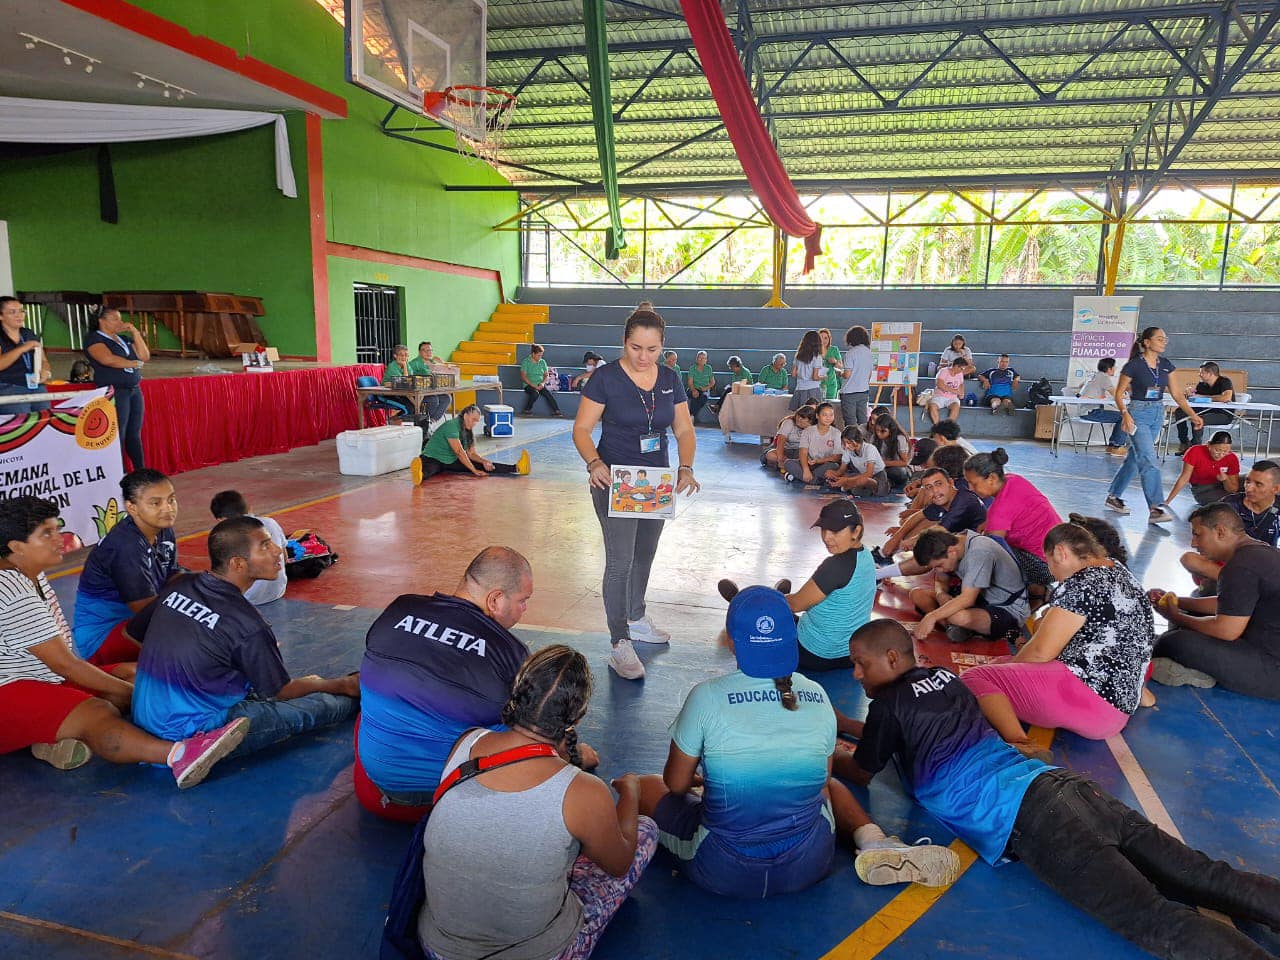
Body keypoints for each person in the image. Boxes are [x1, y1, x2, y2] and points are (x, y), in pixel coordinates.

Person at [837, 619, 1280, 960]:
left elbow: (863, 769)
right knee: (1205, 875)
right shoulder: (946, 680)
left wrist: (824, 753)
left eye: (861, 662)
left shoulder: (889, 706)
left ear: (893, 658)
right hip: (1066, 787)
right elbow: (893, 734)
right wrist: (844, 724)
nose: (856, 673)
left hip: (1033, 818)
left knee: (1153, 919)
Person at [636, 585, 960, 898]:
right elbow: (820, 784)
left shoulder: (706, 697)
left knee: (643, 785)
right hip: (809, 864)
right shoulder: (817, 695)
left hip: (725, 869)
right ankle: (875, 839)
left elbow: (676, 784)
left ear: (733, 643)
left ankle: (632, 797)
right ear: (794, 638)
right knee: (826, 784)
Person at [415, 645, 656, 960]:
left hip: (438, 947)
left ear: (517, 693)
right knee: (646, 831)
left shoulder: (468, 742)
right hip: (535, 953)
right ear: (577, 716)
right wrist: (632, 792)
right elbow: (620, 864)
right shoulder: (583, 790)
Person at [0, 496, 247, 788]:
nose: (59, 539)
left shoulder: (28, 571)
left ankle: (49, 737)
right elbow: (66, 664)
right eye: (47, 534)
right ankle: (179, 754)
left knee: (132, 675)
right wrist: (136, 695)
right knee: (98, 712)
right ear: (16, 548)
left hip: (40, 679)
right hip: (10, 689)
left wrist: (131, 689)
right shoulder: (12, 592)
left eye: (57, 529)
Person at [130, 516, 361, 757]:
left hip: (146, 717)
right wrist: (338, 684)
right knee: (319, 707)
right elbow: (280, 691)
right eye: (264, 546)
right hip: (196, 731)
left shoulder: (182, 584)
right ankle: (362, 692)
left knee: (260, 681)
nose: (277, 552)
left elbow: (134, 633)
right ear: (238, 564)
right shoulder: (247, 623)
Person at [357, 547, 544, 819]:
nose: (524, 609)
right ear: (495, 599)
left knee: (384, 688)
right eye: (523, 600)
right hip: (447, 794)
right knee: (524, 726)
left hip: (375, 782)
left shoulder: (401, 607)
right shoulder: (510, 651)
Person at [574, 306, 699, 681]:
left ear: (663, 347)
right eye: (635, 348)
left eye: (652, 349)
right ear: (623, 343)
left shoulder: (671, 379)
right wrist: (594, 463)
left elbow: (684, 430)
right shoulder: (605, 379)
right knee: (620, 561)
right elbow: (581, 429)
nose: (643, 357)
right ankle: (619, 642)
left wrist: (686, 466)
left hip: (656, 481)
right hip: (614, 481)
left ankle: (637, 616)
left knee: (646, 553)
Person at [962, 522, 1155, 755]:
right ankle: (1142, 693)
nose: (1052, 574)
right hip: (1122, 700)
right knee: (999, 666)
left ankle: (1021, 743)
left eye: (1050, 563)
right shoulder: (1120, 570)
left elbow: (1041, 653)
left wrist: (1003, 678)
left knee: (975, 678)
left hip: (1093, 704)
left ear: (1061, 553)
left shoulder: (1082, 584)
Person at [722, 500, 875, 672]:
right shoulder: (866, 555)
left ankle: (738, 600)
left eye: (835, 531)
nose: (826, 537)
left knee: (764, 618)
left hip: (815, 653)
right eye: (824, 529)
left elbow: (794, 605)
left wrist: (771, 602)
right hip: (850, 654)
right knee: (786, 609)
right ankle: (776, 593)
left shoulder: (835, 566)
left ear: (857, 530)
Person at [1150, 502, 1280, 700]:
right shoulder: (1261, 551)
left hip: (1272, 669)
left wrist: (1176, 615)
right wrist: (1178, 602)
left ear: (1220, 532)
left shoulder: (1241, 565)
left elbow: (1226, 631)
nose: (1193, 543)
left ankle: (1198, 672)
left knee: (1173, 641)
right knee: (1193, 618)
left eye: (1198, 534)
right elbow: (1227, 604)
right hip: (1265, 642)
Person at [73, 469, 182, 666]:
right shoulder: (125, 546)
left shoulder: (163, 529)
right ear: (132, 507)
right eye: (155, 503)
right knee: (191, 626)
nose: (168, 508)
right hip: (103, 637)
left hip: (134, 623)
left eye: (171, 500)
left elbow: (172, 574)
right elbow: (147, 611)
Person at [1104, 326, 1202, 524]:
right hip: (1138, 412)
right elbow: (1119, 393)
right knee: (1149, 458)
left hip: (1158, 412)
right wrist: (1125, 415)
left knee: (1135, 457)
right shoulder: (1133, 365)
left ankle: (1113, 496)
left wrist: (1192, 415)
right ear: (1147, 342)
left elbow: (1176, 394)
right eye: (1159, 338)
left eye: (1165, 338)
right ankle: (1156, 507)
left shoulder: (1166, 365)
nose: (1164, 341)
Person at [965, 449, 1062, 596]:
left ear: (991, 478)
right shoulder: (1013, 480)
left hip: (1046, 567)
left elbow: (989, 549)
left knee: (981, 557)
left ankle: (1035, 591)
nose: (970, 488)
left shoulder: (1001, 509)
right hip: (1060, 555)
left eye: (973, 483)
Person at [910, 528, 1030, 642]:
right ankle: (953, 628)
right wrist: (941, 593)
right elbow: (941, 581)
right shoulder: (953, 544)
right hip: (979, 596)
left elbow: (967, 599)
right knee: (917, 594)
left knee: (957, 617)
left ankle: (957, 625)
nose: (939, 570)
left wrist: (932, 616)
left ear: (951, 552)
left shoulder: (979, 552)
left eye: (939, 565)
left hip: (1006, 608)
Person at [1178, 459, 1280, 592]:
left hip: (1261, 566)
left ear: (1276, 489)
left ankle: (1240, 584)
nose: (1249, 487)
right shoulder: (1230, 504)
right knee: (1189, 559)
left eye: (1258, 484)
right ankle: (1247, 585)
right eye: (1247, 481)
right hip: (1229, 563)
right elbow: (1205, 539)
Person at [873, 466, 987, 580]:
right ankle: (884, 554)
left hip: (977, 554)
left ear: (950, 482)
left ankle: (877, 575)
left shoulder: (964, 500)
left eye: (938, 484)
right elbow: (919, 515)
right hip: (959, 541)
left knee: (930, 548)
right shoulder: (943, 498)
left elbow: (940, 529)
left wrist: (911, 541)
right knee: (922, 523)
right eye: (929, 487)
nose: (935, 491)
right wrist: (897, 537)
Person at [85, 306, 149, 468]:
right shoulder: (94, 339)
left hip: (134, 389)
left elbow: (144, 355)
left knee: (134, 433)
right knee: (118, 433)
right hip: (115, 390)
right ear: (102, 321)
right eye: (115, 319)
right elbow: (107, 359)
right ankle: (119, 472)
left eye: (120, 318)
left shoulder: (123, 339)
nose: (120, 322)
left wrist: (135, 333)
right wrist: (133, 363)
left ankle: (140, 470)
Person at [411, 404, 530, 484]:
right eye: (473, 420)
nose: (474, 423)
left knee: (484, 465)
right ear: (465, 415)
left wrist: (483, 461)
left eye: (477, 421)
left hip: (450, 461)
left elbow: (471, 454)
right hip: (433, 457)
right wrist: (474, 470)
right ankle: (419, 474)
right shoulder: (452, 425)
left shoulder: (468, 431)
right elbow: (459, 452)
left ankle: (518, 467)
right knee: (432, 469)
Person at [209, 490, 287, 606]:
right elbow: (285, 557)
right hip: (279, 590)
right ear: (250, 508)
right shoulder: (270, 522)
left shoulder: (228, 536)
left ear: (221, 520)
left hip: (248, 598)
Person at [0, 296, 51, 416]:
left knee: (45, 419)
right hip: (8, 386)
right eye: (13, 312)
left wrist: (45, 370)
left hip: (35, 385)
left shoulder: (28, 333)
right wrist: (21, 349)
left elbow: (43, 360)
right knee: (22, 425)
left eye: (21, 311)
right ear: (1, 316)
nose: (19, 315)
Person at [1166, 431, 1240, 506]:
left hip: (1222, 485)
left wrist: (1226, 479)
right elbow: (1184, 478)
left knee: (1249, 481)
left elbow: (1233, 489)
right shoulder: (1195, 451)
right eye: (1217, 450)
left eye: (1225, 451)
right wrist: (1167, 501)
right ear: (1208, 445)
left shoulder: (1231, 457)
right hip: (1202, 490)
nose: (1221, 455)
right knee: (1229, 503)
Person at [1176, 361, 1235, 452]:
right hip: (1205, 411)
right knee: (1180, 411)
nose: (1199, 375)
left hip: (1224, 414)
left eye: (1201, 372)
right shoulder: (1202, 384)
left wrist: (1203, 397)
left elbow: (1226, 397)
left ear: (1210, 374)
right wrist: (1189, 393)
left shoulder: (1224, 381)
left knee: (1197, 419)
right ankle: (1184, 441)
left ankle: (1195, 447)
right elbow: (1196, 397)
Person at [1075, 356, 1127, 454]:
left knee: (1121, 416)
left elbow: (1081, 386)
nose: (1115, 369)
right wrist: (1127, 396)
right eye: (1114, 367)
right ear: (1109, 369)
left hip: (1084, 411)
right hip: (1092, 412)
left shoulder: (1094, 375)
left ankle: (1112, 446)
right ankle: (1117, 446)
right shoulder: (1104, 377)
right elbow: (1116, 394)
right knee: (1124, 417)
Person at [783, 401, 841, 485]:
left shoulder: (836, 433)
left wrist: (818, 461)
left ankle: (805, 478)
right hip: (809, 464)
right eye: (825, 415)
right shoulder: (808, 431)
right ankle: (815, 480)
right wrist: (806, 469)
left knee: (834, 466)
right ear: (817, 416)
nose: (828, 418)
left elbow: (836, 457)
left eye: (831, 415)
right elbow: (803, 452)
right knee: (788, 463)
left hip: (824, 464)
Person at [825, 425, 889, 497]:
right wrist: (834, 475)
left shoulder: (870, 448)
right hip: (861, 475)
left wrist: (846, 481)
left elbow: (869, 474)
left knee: (861, 481)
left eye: (848, 442)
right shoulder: (848, 450)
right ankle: (857, 488)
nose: (846, 446)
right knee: (850, 480)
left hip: (877, 477)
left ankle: (868, 489)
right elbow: (841, 470)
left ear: (857, 440)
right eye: (844, 443)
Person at [761, 404, 815, 472]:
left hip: (799, 452)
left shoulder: (812, 428)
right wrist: (780, 459)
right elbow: (781, 441)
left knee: (810, 460)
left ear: (810, 422)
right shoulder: (789, 422)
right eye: (799, 416)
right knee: (770, 455)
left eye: (803, 418)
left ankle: (789, 465)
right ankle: (789, 465)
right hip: (785, 449)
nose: (799, 419)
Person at [839, 325, 873, 429]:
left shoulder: (850, 353)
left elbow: (847, 374)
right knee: (863, 420)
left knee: (850, 422)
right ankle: (864, 441)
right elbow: (869, 374)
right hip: (863, 391)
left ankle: (851, 442)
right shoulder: (869, 352)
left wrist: (839, 372)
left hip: (849, 392)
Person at [408, 341, 450, 424]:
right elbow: (408, 377)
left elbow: (446, 372)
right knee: (434, 399)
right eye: (425, 350)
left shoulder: (433, 362)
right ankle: (426, 421)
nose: (428, 353)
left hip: (433, 390)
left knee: (447, 398)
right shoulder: (414, 363)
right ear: (420, 352)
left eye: (430, 350)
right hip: (420, 393)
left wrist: (441, 363)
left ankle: (432, 420)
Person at [519, 343, 562, 417]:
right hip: (529, 385)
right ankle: (527, 410)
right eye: (538, 355)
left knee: (548, 394)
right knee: (535, 393)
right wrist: (534, 386)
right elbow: (523, 376)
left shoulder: (543, 362)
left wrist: (542, 383)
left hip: (540, 384)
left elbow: (546, 375)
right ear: (533, 354)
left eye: (541, 355)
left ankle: (556, 411)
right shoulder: (526, 361)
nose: (540, 357)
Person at [870, 413, 912, 487]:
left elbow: (904, 463)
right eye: (877, 430)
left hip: (894, 469)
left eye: (883, 431)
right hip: (879, 468)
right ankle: (886, 482)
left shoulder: (899, 438)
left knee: (899, 472)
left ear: (891, 430)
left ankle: (885, 482)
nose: (879, 434)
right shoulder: (874, 437)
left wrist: (883, 463)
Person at [790, 330, 825, 409]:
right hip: (812, 390)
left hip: (799, 388)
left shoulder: (798, 356)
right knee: (813, 416)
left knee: (801, 415)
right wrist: (823, 377)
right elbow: (815, 377)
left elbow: (793, 374)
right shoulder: (817, 357)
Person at [927, 357, 966, 424]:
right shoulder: (943, 371)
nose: (962, 370)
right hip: (939, 396)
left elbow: (961, 384)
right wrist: (955, 391)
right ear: (956, 366)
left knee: (956, 406)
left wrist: (962, 392)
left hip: (952, 398)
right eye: (961, 368)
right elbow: (940, 385)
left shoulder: (960, 374)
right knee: (932, 406)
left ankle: (948, 427)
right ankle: (938, 427)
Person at [685, 350, 716, 421]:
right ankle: (691, 416)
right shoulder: (692, 368)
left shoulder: (708, 368)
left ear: (706, 360)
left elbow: (712, 382)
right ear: (696, 359)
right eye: (700, 358)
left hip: (704, 389)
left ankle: (691, 415)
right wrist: (693, 390)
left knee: (703, 397)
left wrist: (706, 387)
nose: (702, 360)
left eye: (704, 358)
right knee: (695, 395)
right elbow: (690, 382)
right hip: (693, 388)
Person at [818, 327, 843, 400]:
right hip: (817, 382)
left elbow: (840, 366)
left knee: (830, 404)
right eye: (821, 338)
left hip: (831, 382)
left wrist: (835, 361)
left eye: (826, 338)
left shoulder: (834, 349)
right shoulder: (815, 350)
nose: (823, 340)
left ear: (829, 339)